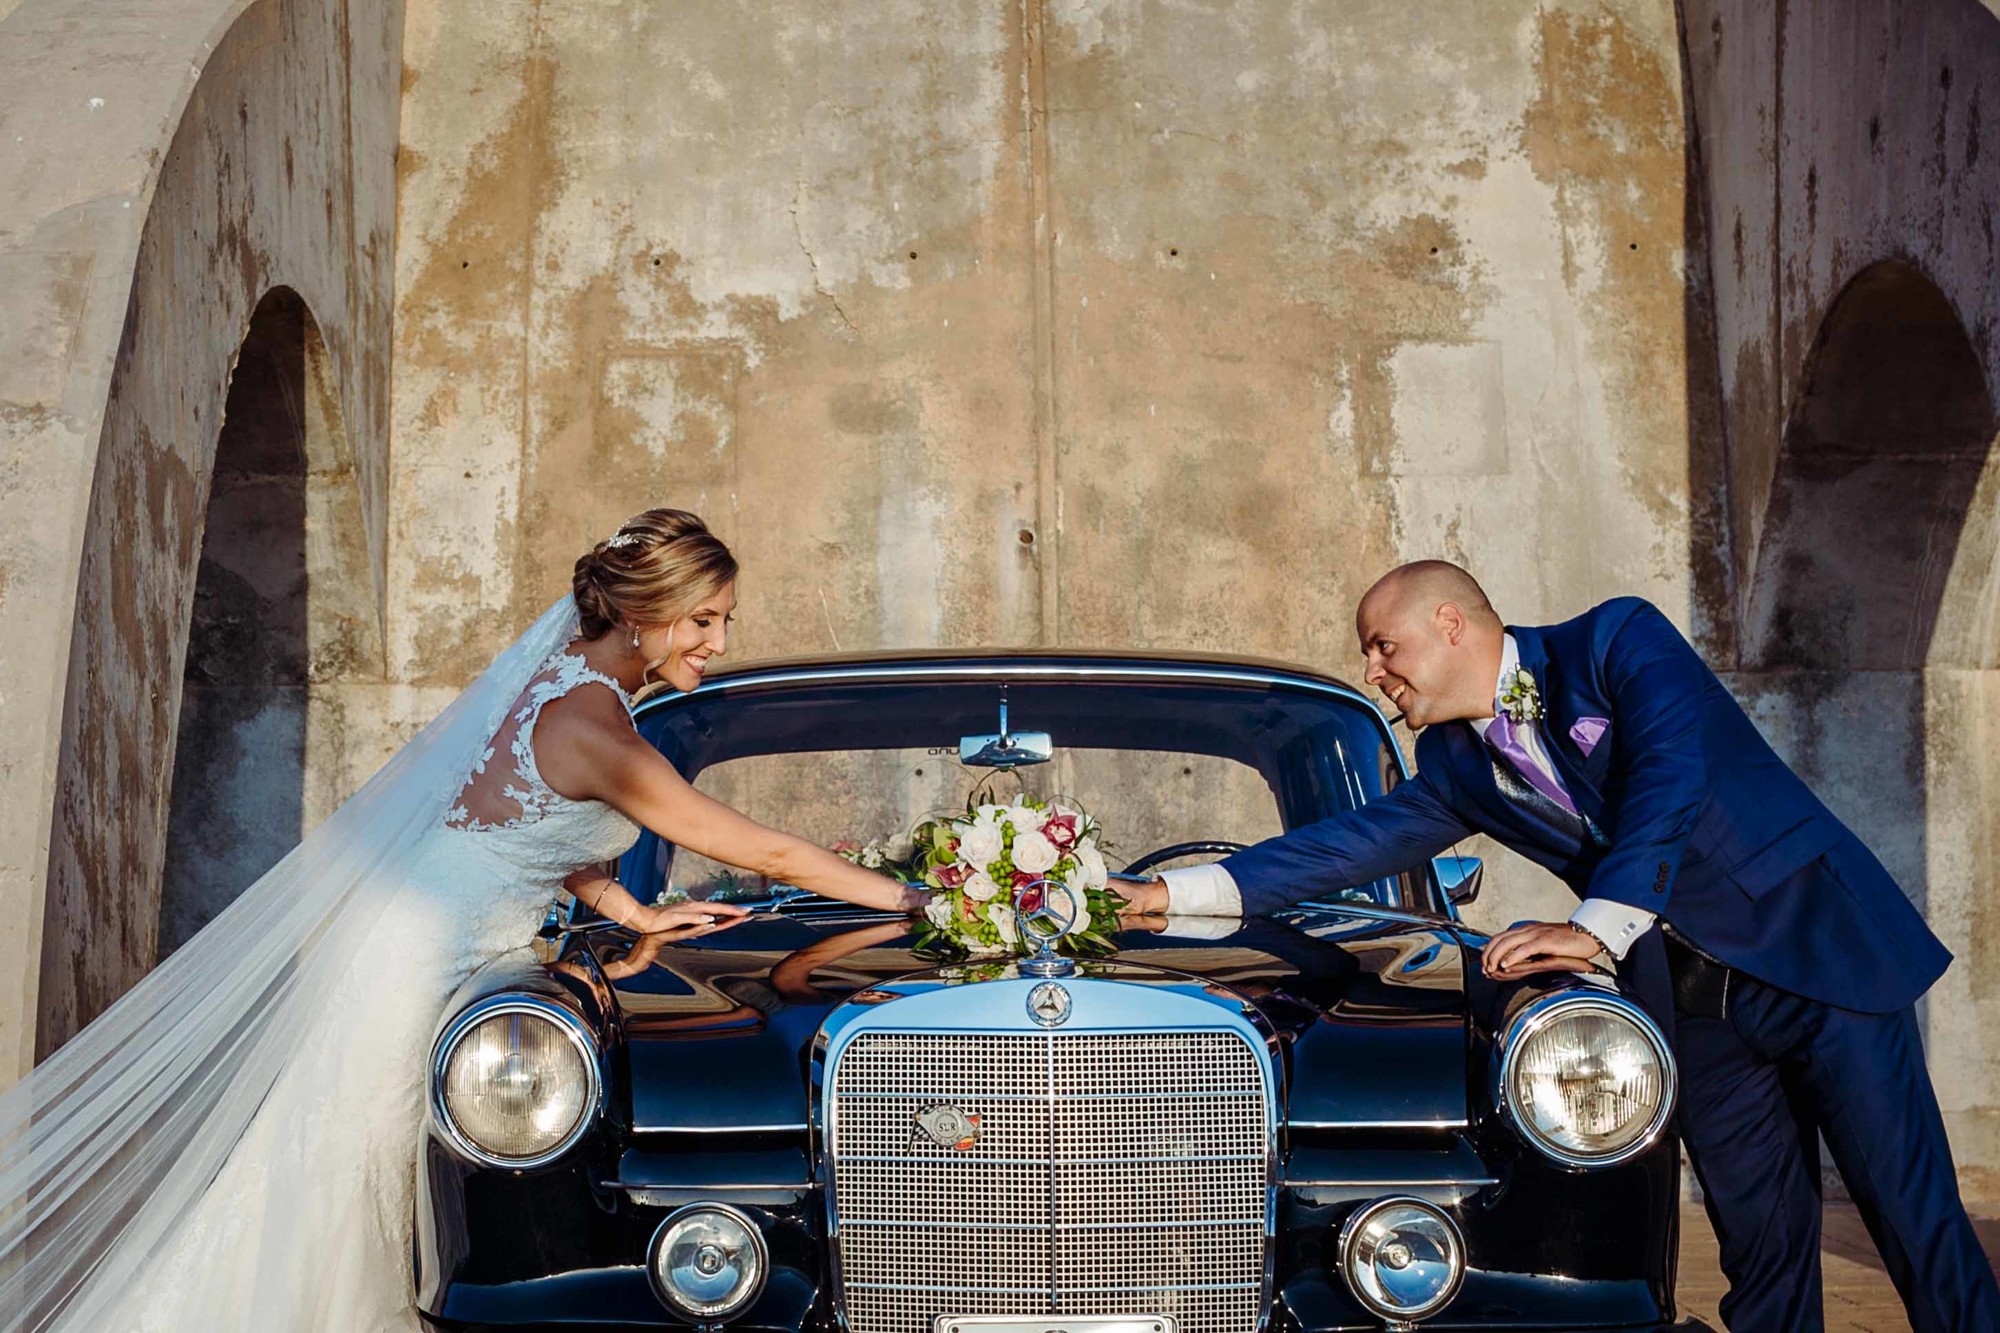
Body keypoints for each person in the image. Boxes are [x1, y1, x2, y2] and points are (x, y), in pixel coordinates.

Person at [0, 508, 922, 1332]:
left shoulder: (566, 695)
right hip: (422, 952)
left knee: (349, 1165)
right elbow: (768, 852)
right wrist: (915, 898)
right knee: (342, 1169)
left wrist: (631, 906)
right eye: (705, 619)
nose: (717, 641)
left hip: (426, 938)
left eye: (724, 621)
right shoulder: (599, 730)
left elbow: (522, 829)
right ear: (643, 613)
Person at [1124, 560, 1999, 1333]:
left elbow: (1669, 778)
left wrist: (1590, 927)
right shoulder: (1459, 765)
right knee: (1761, 1252)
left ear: (1450, 623)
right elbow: (1349, 844)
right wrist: (1173, 895)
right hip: (1695, 1005)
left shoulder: (1619, 639)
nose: (1374, 671)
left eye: (1384, 646)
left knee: (1912, 1219)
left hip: (1819, 953)